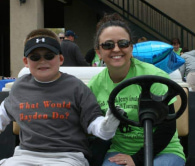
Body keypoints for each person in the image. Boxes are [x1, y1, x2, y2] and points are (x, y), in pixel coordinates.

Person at [0, 28, 121, 166]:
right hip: (25, 155)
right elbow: (3, 113)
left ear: (61, 58)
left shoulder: (76, 87)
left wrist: (107, 126)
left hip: (68, 156)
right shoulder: (19, 87)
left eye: (49, 56)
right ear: (26, 62)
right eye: (35, 57)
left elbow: (94, 123)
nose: (42, 61)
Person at [88, 13, 186, 166]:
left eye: (123, 43)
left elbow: (168, 127)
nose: (116, 49)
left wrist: (137, 159)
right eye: (108, 45)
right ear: (98, 52)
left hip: (163, 150)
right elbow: (96, 130)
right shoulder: (95, 85)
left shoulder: (154, 75)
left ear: (131, 48)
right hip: (120, 151)